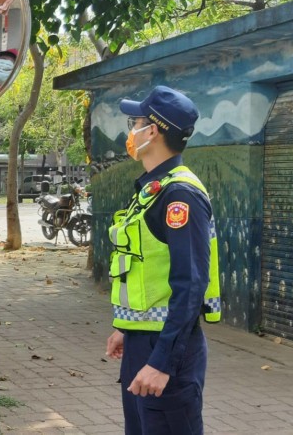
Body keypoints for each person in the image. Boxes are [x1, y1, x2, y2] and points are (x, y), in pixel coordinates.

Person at [107, 86, 221, 434]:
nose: (132, 131)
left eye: (136, 122)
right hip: (145, 341)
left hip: (169, 350)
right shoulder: (153, 189)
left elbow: (191, 284)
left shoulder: (179, 195)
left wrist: (162, 362)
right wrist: (127, 327)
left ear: (153, 131)